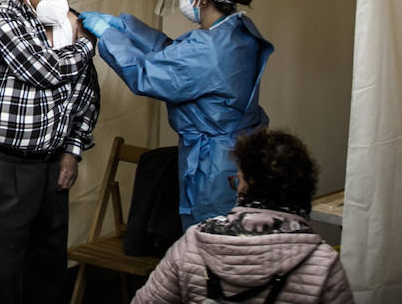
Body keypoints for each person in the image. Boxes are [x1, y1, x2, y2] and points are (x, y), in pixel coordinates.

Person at [81, 0, 273, 227]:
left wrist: (107, 35)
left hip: (214, 165)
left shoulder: (209, 49)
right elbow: (174, 54)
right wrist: (124, 26)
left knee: (208, 243)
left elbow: (145, 74)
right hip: (235, 152)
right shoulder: (235, 31)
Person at [0, 0, 100, 304]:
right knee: (0, 271)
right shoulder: (1, 21)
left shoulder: (65, 23)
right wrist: (86, 44)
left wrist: (72, 152)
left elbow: (87, 95)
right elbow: (44, 71)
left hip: (52, 166)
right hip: (3, 164)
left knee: (48, 268)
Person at [133, 129, 353, 303]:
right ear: (306, 188)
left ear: (245, 184)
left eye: (237, 179)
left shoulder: (194, 244)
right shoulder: (322, 263)